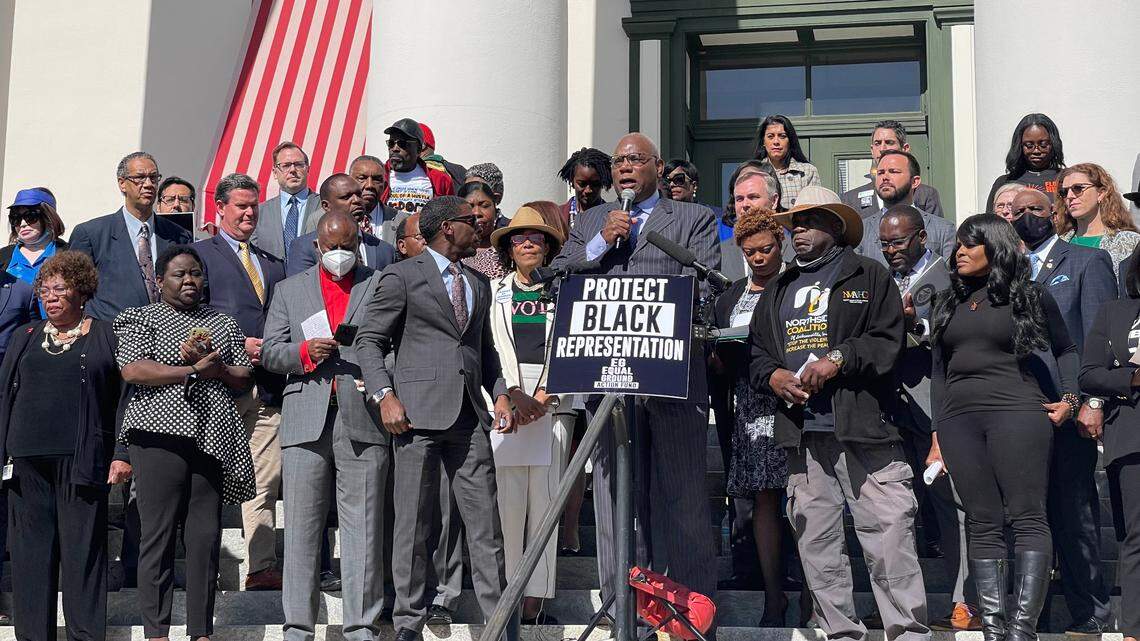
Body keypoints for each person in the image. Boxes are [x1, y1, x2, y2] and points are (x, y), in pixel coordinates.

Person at [551, 132, 720, 623]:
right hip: (606, 379)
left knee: (683, 494)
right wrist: (603, 241)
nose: (625, 168)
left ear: (657, 166)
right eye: (619, 161)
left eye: (635, 160)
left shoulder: (695, 217)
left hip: (672, 378)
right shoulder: (588, 220)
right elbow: (562, 274)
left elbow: (704, 281)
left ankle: (691, 611)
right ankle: (621, 607)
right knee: (612, 497)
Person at [750, 199, 927, 641]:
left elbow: (888, 340)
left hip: (866, 428)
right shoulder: (779, 286)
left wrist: (839, 358)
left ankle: (907, 633)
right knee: (818, 546)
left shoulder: (868, 275)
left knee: (889, 538)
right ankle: (839, 633)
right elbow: (756, 353)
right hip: (803, 433)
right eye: (794, 226)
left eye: (809, 223)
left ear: (835, 226)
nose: (799, 232)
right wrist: (773, 376)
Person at [356, 195, 519, 641]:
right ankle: (408, 623)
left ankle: (500, 625)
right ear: (448, 227)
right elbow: (368, 342)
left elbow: (485, 351)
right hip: (414, 420)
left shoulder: (478, 283)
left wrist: (501, 394)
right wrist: (384, 396)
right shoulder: (401, 276)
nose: (480, 225)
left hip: (469, 419)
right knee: (412, 527)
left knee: (486, 526)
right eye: (471, 221)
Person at [927, 215, 1080, 641]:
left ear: (995, 249)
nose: (959, 251)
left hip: (1018, 412)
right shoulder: (945, 302)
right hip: (959, 420)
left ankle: (1022, 630)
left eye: (969, 244)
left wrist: (1070, 399)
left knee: (1028, 516)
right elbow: (939, 374)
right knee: (982, 519)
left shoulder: (1030, 296)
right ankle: (994, 629)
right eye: (957, 244)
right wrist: (938, 432)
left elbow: (1067, 349)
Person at [115, 245, 256, 641]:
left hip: (211, 436)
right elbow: (134, 370)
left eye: (195, 273)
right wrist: (191, 369)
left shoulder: (222, 323)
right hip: (158, 436)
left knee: (204, 537)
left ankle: (200, 631)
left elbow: (244, 378)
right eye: (179, 274)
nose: (190, 280)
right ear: (159, 281)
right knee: (157, 536)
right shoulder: (141, 318)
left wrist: (218, 366)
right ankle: (156, 631)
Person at [260, 211, 389, 641]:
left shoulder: (380, 284)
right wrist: (303, 351)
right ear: (316, 246)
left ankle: (361, 627)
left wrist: (377, 374)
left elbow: (397, 347)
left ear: (360, 243)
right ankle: (298, 628)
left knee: (364, 527)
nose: (339, 254)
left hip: (364, 415)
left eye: (347, 246)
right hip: (305, 415)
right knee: (300, 526)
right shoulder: (289, 289)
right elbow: (270, 352)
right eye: (331, 246)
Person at [0, 251, 128, 641]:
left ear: (82, 292)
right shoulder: (26, 336)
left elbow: (124, 398)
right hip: (25, 462)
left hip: (82, 460)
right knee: (30, 559)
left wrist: (121, 453)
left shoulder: (106, 334)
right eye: (45, 289)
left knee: (82, 555)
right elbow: (5, 395)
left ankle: (85, 635)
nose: (50, 297)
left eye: (60, 288)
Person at [1010, 188, 1116, 634]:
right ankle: (1030, 619)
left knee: (1075, 515)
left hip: (1069, 410)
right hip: (1017, 412)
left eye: (1036, 209)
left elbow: (1098, 336)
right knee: (1027, 518)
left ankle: (1090, 615)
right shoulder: (1006, 270)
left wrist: (1091, 400)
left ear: (1055, 214)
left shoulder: (1086, 262)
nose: (1028, 217)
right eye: (1018, 212)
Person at [876, 205, 977, 632]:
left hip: (936, 408)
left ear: (921, 237)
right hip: (888, 408)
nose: (891, 250)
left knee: (951, 506)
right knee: (892, 512)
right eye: (884, 243)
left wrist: (916, 324)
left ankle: (964, 602)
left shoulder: (949, 279)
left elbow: (954, 339)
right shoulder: (879, 282)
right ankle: (901, 607)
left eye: (898, 241)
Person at [192, 173, 288, 592]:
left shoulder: (272, 262)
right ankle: (205, 567)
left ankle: (261, 565)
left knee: (263, 481)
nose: (250, 213)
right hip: (219, 386)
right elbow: (188, 315)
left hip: (266, 387)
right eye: (241, 206)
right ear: (221, 208)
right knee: (209, 481)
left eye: (254, 206)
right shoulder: (198, 256)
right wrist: (232, 344)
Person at [487, 206, 572, 624]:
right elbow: (488, 349)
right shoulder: (493, 290)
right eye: (519, 238)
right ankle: (510, 593)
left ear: (548, 246)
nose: (527, 243)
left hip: (552, 408)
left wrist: (545, 395)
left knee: (545, 504)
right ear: (508, 246)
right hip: (506, 407)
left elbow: (574, 344)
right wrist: (512, 396)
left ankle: (537, 600)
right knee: (509, 505)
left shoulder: (564, 289)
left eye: (536, 238)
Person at [709, 206, 788, 626]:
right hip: (748, 403)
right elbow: (717, 359)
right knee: (763, 499)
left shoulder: (797, 285)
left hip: (795, 398)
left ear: (781, 245)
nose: (759, 258)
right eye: (750, 251)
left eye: (766, 249)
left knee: (807, 499)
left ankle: (812, 592)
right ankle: (773, 597)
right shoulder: (730, 297)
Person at [1079, 249, 1140, 641]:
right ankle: (1134, 630)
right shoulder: (1114, 311)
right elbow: (1089, 374)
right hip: (1131, 436)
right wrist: (1132, 379)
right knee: (1136, 536)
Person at [69, 151, 192, 322]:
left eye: (154, 177)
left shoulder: (178, 235)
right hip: (110, 336)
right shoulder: (91, 234)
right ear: (122, 184)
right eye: (140, 178)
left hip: (168, 338)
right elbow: (74, 290)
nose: (148, 184)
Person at [286, 174, 399, 277]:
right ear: (326, 206)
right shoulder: (304, 247)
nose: (356, 200)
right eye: (346, 197)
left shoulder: (384, 250)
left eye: (359, 195)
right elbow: (300, 293)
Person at [857, 150, 955, 264]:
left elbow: (948, 276)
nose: (885, 177)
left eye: (894, 171)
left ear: (914, 181)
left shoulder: (944, 230)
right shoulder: (861, 231)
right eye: (880, 172)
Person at [841, 120, 945, 218]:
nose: (882, 149)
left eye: (889, 142)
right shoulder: (850, 199)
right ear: (872, 150)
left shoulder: (925, 195)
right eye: (877, 143)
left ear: (905, 148)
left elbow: (935, 232)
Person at [1055, 161, 1140, 276]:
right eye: (1064, 192)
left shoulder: (1130, 242)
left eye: (1078, 188)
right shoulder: (1059, 243)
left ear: (1101, 193)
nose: (1069, 196)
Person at [251, 141, 322, 261]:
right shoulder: (259, 212)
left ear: (307, 169)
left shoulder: (324, 206)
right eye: (286, 165)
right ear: (274, 172)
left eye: (299, 164)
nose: (293, 170)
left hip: (312, 277)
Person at [983, 113, 1065, 212]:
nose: (1036, 151)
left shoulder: (1066, 178)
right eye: (1029, 145)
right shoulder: (1004, 182)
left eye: (1043, 144)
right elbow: (990, 224)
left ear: (1053, 144)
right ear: (1019, 146)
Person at [382, 117, 456, 215]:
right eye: (391, 143)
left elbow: (449, 216)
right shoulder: (377, 177)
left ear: (418, 149)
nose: (395, 149)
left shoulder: (441, 180)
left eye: (402, 144)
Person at [723, 162, 784, 277]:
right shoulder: (720, 252)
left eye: (753, 197)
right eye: (739, 199)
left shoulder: (795, 248)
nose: (745, 204)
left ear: (774, 200)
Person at [2, 188, 69, 288]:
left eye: (30, 216)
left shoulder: (69, 253)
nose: (22, 224)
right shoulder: (2, 256)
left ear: (48, 217)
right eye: (16, 218)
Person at [753, 114, 820, 209]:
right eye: (770, 136)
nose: (776, 141)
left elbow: (815, 210)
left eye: (782, 136)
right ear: (763, 142)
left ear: (790, 141)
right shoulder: (753, 172)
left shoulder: (807, 172)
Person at [459, 181, 506, 278]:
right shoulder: (453, 251)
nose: (477, 212)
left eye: (485, 206)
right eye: (470, 206)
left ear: (495, 206)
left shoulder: (508, 247)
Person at [557, 147, 612, 230]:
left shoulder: (611, 217)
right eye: (582, 184)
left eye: (595, 184)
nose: (588, 190)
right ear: (572, 182)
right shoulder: (557, 216)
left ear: (602, 182)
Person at [349, 154, 399, 241]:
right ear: (348, 182)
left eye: (376, 179)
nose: (369, 185)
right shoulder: (323, 219)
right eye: (362, 178)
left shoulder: (401, 220)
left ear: (385, 186)